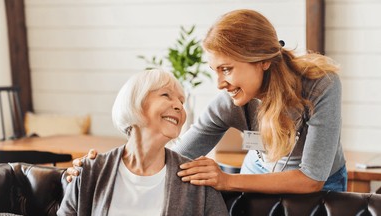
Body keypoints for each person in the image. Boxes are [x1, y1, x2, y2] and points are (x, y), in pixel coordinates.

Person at [67, 9, 346, 194]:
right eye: (215, 70)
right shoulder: (229, 103)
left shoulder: (321, 85)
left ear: (262, 60)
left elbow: (311, 178)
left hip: (321, 183)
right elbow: (175, 157)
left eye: (227, 68)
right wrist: (100, 167)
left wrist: (226, 179)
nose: (220, 84)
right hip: (258, 171)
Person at [44, 69, 242, 216]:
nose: (179, 106)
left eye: (181, 101)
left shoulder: (196, 178)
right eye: (166, 95)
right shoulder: (90, 172)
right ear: (135, 102)